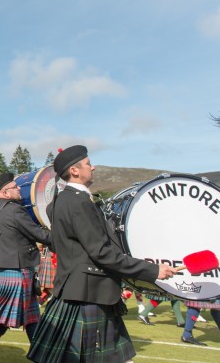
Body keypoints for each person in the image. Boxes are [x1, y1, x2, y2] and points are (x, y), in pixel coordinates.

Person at [27, 145, 177, 363]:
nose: (93, 167)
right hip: (90, 292)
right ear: (75, 171)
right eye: (88, 164)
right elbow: (101, 252)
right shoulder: (78, 202)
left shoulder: (60, 202)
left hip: (78, 290)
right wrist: (152, 270)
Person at [0, 173, 52, 363]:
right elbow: (39, 234)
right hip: (21, 270)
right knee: (15, 318)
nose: (19, 190)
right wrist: (64, 240)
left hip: (7, 270)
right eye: (15, 187)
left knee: (26, 317)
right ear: (5, 192)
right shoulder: (15, 211)